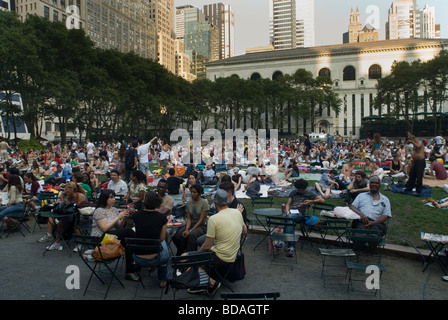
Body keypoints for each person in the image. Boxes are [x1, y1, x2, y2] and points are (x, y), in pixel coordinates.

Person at [191, 188, 247, 295]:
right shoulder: (237, 212)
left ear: (215, 203)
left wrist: (197, 253)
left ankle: (211, 283)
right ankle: (208, 278)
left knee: (195, 259)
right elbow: (245, 231)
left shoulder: (214, 219)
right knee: (203, 254)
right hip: (233, 255)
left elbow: (207, 246)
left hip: (222, 257)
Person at [90, 189, 138, 282]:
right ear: (105, 199)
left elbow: (118, 226)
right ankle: (141, 252)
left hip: (111, 236)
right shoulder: (99, 211)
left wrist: (124, 217)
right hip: (100, 239)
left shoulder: (114, 209)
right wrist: (118, 217)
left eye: (114, 197)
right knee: (128, 231)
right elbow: (104, 228)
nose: (114, 199)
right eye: (111, 197)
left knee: (127, 242)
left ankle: (130, 271)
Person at [131, 191, 170, 288]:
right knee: (163, 242)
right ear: (157, 203)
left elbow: (138, 231)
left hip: (137, 257)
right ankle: (162, 279)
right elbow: (161, 239)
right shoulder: (162, 217)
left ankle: (151, 267)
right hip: (156, 257)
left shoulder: (136, 216)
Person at [278, 179, 324, 257]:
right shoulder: (293, 193)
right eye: (300, 189)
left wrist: (311, 201)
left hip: (300, 214)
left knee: (289, 219)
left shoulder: (309, 193)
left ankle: (283, 241)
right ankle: (291, 248)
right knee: (290, 221)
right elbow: (288, 204)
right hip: (291, 213)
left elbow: (322, 200)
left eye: (303, 189)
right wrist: (287, 211)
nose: (302, 191)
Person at [37, 181, 88, 251]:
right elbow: (64, 208)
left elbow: (79, 208)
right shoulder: (69, 197)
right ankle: (56, 242)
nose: (65, 191)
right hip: (71, 215)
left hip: (83, 215)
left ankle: (79, 243)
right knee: (61, 222)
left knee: (76, 222)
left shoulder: (80, 196)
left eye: (66, 189)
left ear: (71, 190)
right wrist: (63, 198)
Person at [172, 184, 209, 255]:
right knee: (177, 236)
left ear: (199, 193)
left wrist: (190, 230)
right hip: (191, 224)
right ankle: (181, 252)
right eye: (191, 192)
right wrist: (187, 229)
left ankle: (191, 255)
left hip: (202, 225)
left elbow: (201, 220)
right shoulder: (189, 203)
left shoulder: (204, 203)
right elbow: (189, 218)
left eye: (194, 192)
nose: (192, 194)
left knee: (192, 235)